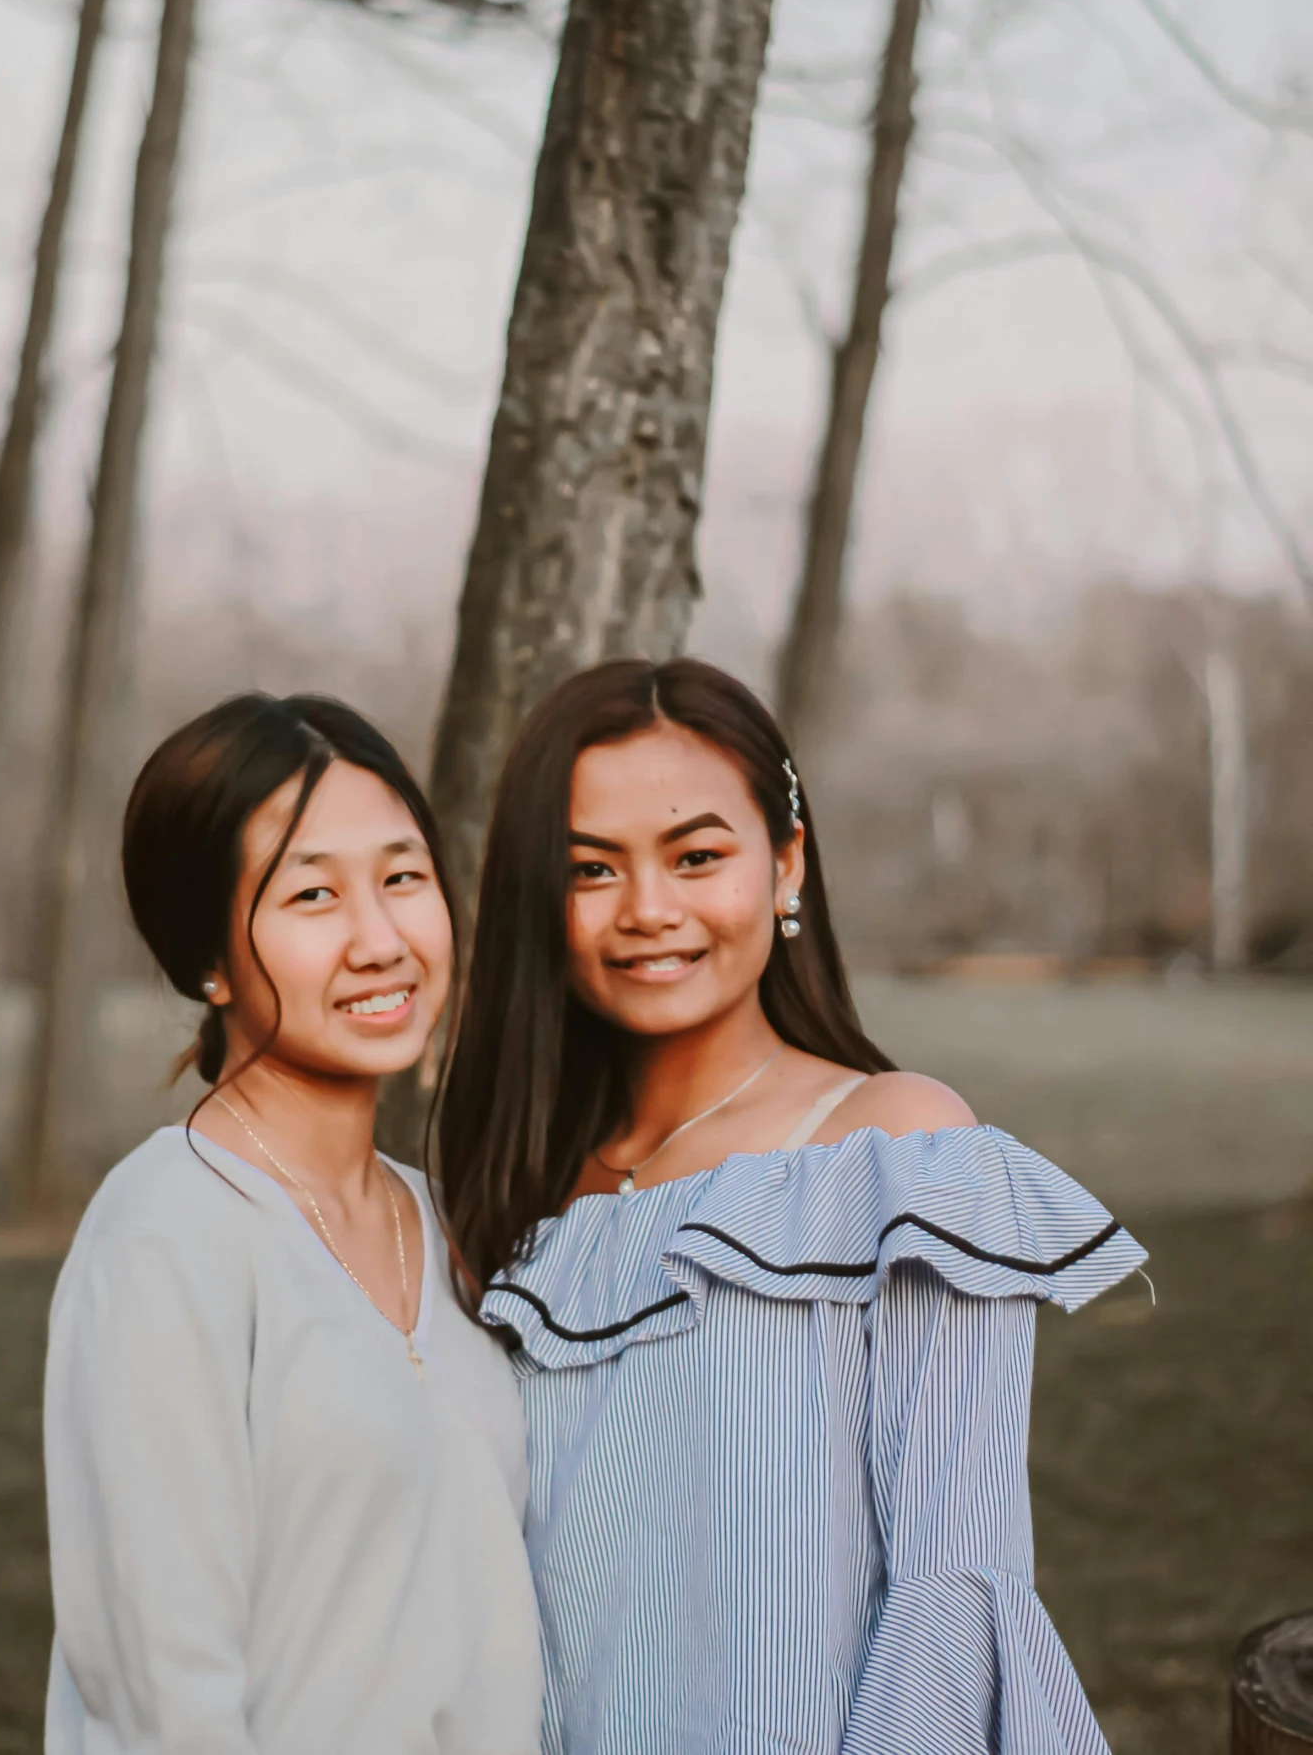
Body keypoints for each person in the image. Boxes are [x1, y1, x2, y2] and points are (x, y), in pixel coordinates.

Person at [437, 656, 1144, 1755]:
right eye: (591, 868)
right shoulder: (516, 1205)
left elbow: (949, 1588)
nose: (649, 910)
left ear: (785, 864)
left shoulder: (895, 1151)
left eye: (697, 855)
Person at [43, 692, 542, 1755]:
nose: (380, 939)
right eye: (312, 895)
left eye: (403, 878)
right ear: (207, 959)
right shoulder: (168, 1233)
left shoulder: (447, 1224)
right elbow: (165, 1693)